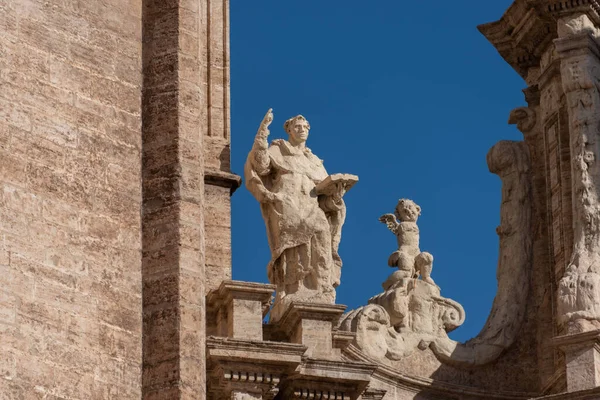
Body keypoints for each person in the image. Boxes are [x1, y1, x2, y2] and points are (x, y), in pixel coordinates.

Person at [245, 109, 348, 321]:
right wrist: (262, 135)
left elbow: (324, 199)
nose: (301, 130)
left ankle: (320, 288)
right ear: (289, 130)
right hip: (287, 203)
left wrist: (336, 197)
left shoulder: (314, 161)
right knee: (292, 248)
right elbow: (262, 166)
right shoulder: (279, 149)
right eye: (297, 127)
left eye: (305, 127)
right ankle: (291, 290)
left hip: (311, 205)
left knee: (321, 237)